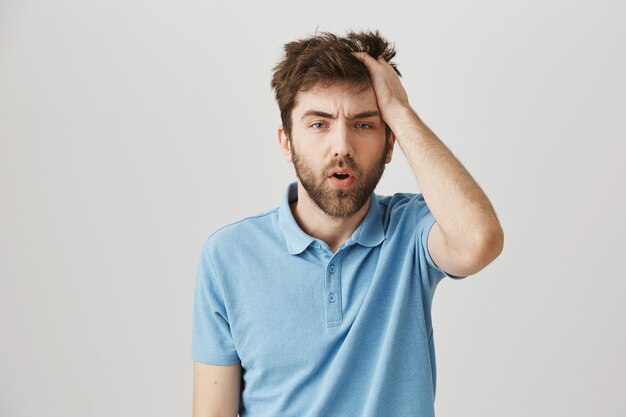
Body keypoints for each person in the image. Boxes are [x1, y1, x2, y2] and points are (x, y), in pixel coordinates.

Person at [191, 30, 504, 417]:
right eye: (319, 124)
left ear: (390, 143)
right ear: (286, 141)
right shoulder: (229, 255)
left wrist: (401, 114)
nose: (341, 146)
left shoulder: (411, 232)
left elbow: (479, 240)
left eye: (363, 125)